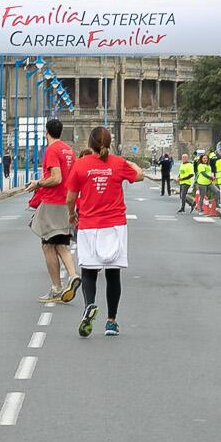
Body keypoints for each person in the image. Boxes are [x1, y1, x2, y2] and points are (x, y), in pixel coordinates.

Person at [65, 125, 140, 338]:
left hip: (89, 224)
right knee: (113, 273)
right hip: (115, 225)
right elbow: (140, 175)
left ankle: (89, 305)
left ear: (89, 144)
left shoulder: (81, 165)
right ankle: (111, 321)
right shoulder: (118, 164)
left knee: (89, 270)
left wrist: (72, 214)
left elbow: (70, 197)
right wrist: (128, 162)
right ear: (109, 144)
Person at [30, 116, 80, 303]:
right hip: (67, 201)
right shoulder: (69, 150)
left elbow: (56, 178)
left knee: (47, 245)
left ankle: (56, 288)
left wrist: (38, 183)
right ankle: (73, 275)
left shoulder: (52, 150)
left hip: (52, 202)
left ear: (46, 132)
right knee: (61, 244)